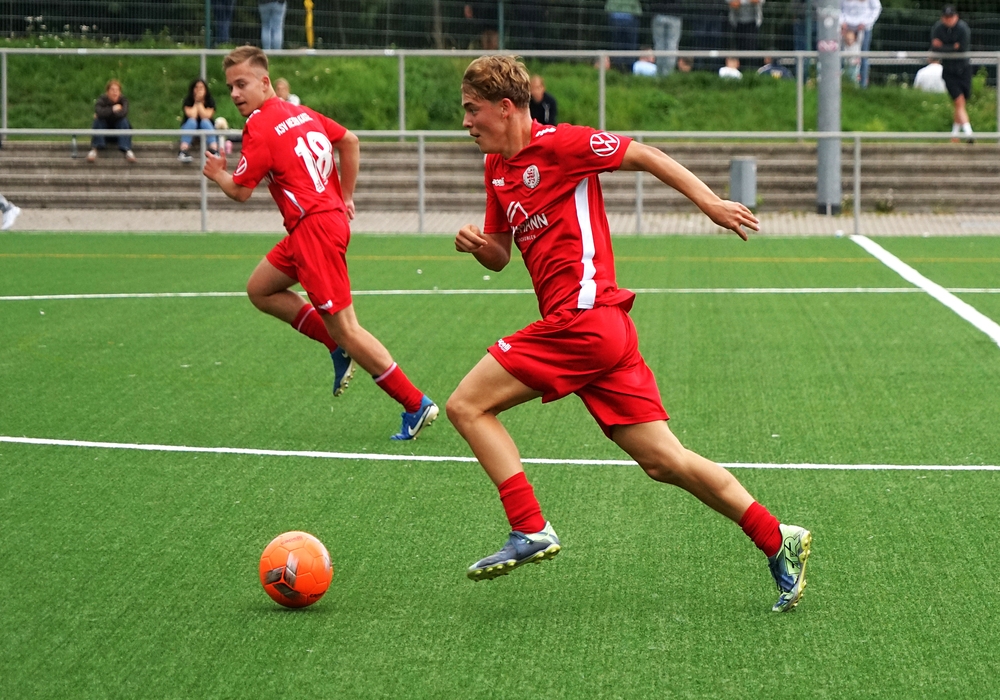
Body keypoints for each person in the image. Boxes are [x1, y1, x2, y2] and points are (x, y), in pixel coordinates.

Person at [451, 55, 812, 613]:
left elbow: (643, 153)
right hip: (600, 334)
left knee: (466, 405)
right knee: (666, 461)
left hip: (582, 321)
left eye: (472, 110)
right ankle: (777, 537)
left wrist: (710, 203)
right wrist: (479, 247)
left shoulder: (563, 145)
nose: (466, 122)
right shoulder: (496, 170)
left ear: (505, 107)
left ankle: (529, 526)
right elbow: (500, 254)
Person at [203, 46, 438, 440]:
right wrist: (345, 195)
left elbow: (240, 191)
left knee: (349, 329)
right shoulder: (302, 113)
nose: (235, 94)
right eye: (230, 87)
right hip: (320, 225)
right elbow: (350, 141)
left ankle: (415, 403)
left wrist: (217, 174)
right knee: (260, 289)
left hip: (314, 230)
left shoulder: (259, 125)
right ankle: (334, 343)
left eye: (241, 84)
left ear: (265, 82)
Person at [931, 5, 973, 141]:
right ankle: (969, 134)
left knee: (960, 104)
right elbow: (935, 48)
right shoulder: (938, 28)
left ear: (956, 16)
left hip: (964, 69)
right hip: (949, 71)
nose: (948, 20)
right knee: (959, 101)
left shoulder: (963, 29)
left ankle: (954, 135)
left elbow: (961, 48)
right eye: (946, 17)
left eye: (951, 17)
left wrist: (943, 47)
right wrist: (952, 47)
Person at [86, 79, 136, 163]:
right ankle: (95, 149)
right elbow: (99, 111)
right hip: (104, 135)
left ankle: (127, 149)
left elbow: (123, 113)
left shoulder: (124, 100)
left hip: (118, 134)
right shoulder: (101, 100)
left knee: (123, 121)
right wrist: (113, 109)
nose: (115, 92)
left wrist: (105, 113)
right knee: (99, 120)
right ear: (107, 92)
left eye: (117, 90)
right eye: (112, 90)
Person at [840, 0, 881, 88]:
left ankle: (863, 85)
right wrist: (842, 21)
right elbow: (838, 7)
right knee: (839, 55)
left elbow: (876, 8)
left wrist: (866, 22)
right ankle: (838, 84)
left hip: (863, 28)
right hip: (846, 27)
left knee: (863, 56)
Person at [178, 79, 219, 164]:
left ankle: (214, 150)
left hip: (206, 128)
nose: (199, 90)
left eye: (201, 88)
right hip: (190, 128)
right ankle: (183, 151)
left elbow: (206, 115)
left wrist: (199, 103)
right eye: (196, 87)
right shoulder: (188, 100)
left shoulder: (210, 101)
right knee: (192, 121)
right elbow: (192, 115)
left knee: (205, 121)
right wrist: (196, 102)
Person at [606, 0, 642, 72]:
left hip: (615, 18)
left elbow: (608, 8)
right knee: (630, 46)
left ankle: (618, 68)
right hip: (630, 19)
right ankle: (629, 68)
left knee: (617, 45)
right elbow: (638, 11)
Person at [650, 1, 683, 76]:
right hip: (675, 14)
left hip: (659, 13)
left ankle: (660, 73)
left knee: (659, 45)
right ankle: (668, 74)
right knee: (672, 45)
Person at [727, 0, 764, 66]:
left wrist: (741, 2)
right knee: (739, 47)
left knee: (751, 47)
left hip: (753, 22)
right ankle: (741, 67)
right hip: (736, 22)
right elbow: (734, 4)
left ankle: (751, 68)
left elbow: (757, 1)